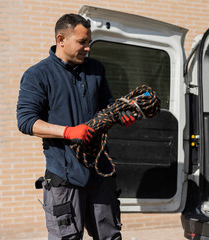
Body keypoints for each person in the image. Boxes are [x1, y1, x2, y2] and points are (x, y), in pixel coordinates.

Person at [17, 13, 134, 240]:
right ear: (61, 39)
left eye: (89, 42)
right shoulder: (37, 75)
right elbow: (26, 121)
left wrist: (122, 113)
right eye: (82, 42)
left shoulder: (96, 70)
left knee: (110, 236)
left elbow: (107, 105)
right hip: (64, 177)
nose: (88, 48)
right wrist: (68, 132)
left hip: (100, 173)